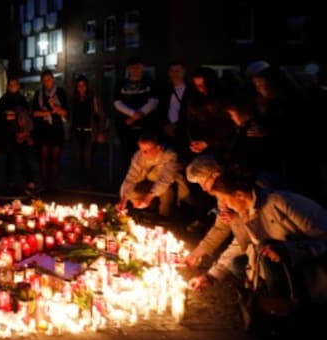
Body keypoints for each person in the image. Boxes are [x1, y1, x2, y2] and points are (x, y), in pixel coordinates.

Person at [189, 171, 327, 313]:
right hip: (274, 266)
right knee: (238, 264)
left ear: (240, 195)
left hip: (305, 264)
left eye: (225, 199)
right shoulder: (243, 213)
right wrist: (210, 276)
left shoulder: (280, 202)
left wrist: (288, 249)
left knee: (267, 258)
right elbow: (237, 246)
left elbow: (323, 236)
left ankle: (286, 310)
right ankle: (269, 301)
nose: (223, 206)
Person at [117, 132, 188, 218]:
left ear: (158, 148)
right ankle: (149, 210)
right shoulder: (139, 156)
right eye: (142, 150)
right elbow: (131, 178)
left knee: (168, 192)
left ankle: (164, 218)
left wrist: (148, 198)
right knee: (131, 192)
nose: (144, 154)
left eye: (147, 150)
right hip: (148, 182)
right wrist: (123, 200)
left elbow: (165, 180)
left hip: (168, 185)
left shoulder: (170, 155)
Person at [113, 56, 159, 177]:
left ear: (142, 67)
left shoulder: (150, 82)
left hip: (146, 125)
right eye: (132, 67)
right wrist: (132, 114)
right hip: (126, 126)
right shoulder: (121, 84)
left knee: (147, 154)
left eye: (138, 67)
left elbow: (153, 101)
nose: (135, 70)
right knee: (127, 154)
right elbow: (117, 102)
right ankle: (129, 182)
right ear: (128, 69)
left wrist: (139, 115)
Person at [0, 78, 36, 195]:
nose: (12, 86)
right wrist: (6, 117)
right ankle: (11, 183)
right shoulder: (4, 99)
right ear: (8, 86)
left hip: (22, 133)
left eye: (15, 84)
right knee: (10, 159)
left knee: (25, 158)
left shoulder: (22, 99)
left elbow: (27, 113)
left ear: (18, 86)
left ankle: (29, 182)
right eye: (10, 84)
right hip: (9, 134)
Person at [32, 70, 69, 193]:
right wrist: (47, 112)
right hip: (43, 129)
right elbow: (34, 113)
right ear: (42, 81)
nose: (47, 82)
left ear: (53, 79)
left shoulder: (60, 92)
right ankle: (44, 185)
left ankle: (53, 185)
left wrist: (56, 108)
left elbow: (66, 112)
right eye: (45, 80)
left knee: (55, 158)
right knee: (43, 158)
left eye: (49, 79)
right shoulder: (38, 94)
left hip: (57, 129)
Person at [69, 75, 105, 189]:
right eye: (78, 85)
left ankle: (90, 182)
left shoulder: (93, 98)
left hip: (90, 132)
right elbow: (71, 116)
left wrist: (100, 132)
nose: (80, 88)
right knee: (79, 157)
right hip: (77, 131)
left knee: (88, 158)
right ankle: (81, 182)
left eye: (83, 85)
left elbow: (100, 116)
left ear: (87, 86)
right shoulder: (74, 99)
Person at [159, 61, 193, 161]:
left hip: (184, 130)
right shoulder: (164, 89)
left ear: (184, 72)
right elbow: (161, 109)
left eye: (177, 71)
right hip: (166, 130)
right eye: (172, 71)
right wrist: (165, 125)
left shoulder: (191, 90)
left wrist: (177, 125)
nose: (174, 74)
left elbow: (190, 112)